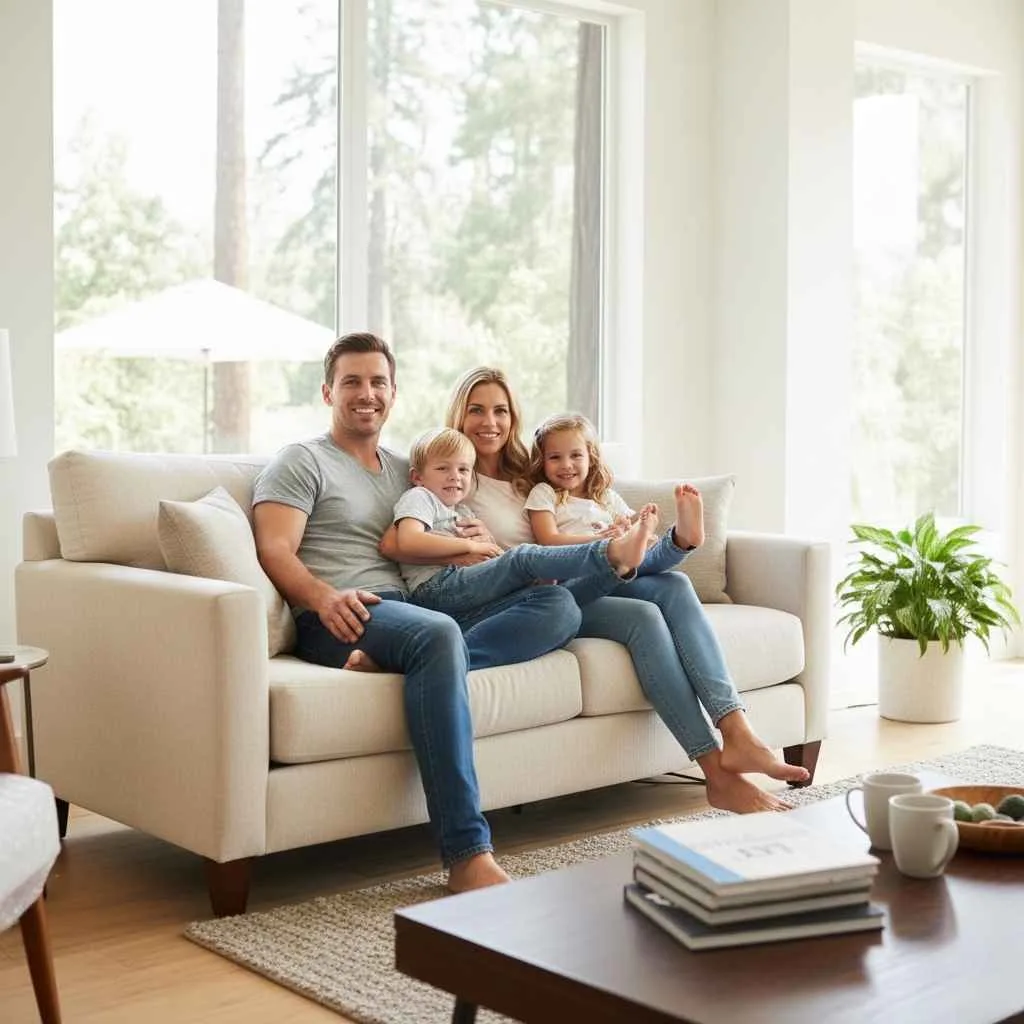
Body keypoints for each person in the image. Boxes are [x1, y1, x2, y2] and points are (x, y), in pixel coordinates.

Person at [251, 334, 583, 893]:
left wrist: (474, 537)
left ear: (393, 393)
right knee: (437, 636)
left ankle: (432, 669)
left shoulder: (408, 468)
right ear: (328, 390)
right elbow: (275, 549)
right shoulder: (301, 461)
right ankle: (465, 852)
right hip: (347, 615)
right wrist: (323, 598)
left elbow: (444, 517)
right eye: (352, 381)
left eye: (377, 382)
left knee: (557, 604)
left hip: (417, 607)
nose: (366, 393)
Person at [441, 366, 810, 814]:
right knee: (641, 592)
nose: (489, 422)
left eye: (500, 410)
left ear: (514, 417)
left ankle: (733, 737)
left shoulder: (531, 473)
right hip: (531, 600)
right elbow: (453, 545)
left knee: (668, 589)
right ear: (459, 415)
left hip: (578, 581)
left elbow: (578, 488)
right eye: (476, 410)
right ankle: (721, 760)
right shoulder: (453, 475)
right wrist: (473, 543)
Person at [393, 426, 655, 619]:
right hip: (435, 587)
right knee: (522, 558)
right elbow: (407, 540)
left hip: (464, 587)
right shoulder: (421, 496)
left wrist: (491, 551)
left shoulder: (461, 509)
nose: (454, 477)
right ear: (417, 476)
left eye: (463, 470)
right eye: (443, 469)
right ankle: (613, 551)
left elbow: (490, 557)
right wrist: (470, 549)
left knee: (554, 595)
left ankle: (624, 564)